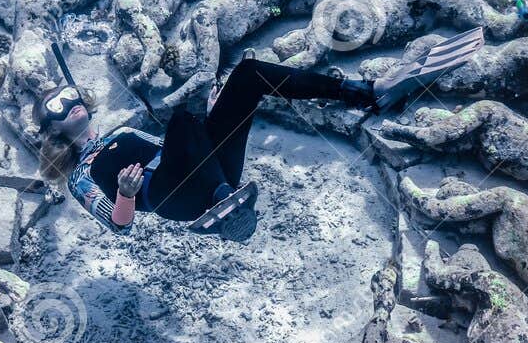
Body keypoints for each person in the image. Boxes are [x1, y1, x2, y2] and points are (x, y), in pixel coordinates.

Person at [43, 59, 404, 241]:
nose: (68, 103)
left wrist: (217, 118)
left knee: (246, 75)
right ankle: (224, 204)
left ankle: (361, 91)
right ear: (52, 130)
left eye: (69, 95)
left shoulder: (121, 131)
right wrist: (125, 193)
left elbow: (178, 152)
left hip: (215, 179)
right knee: (183, 122)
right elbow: (120, 225)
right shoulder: (81, 176)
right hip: (174, 200)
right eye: (56, 107)